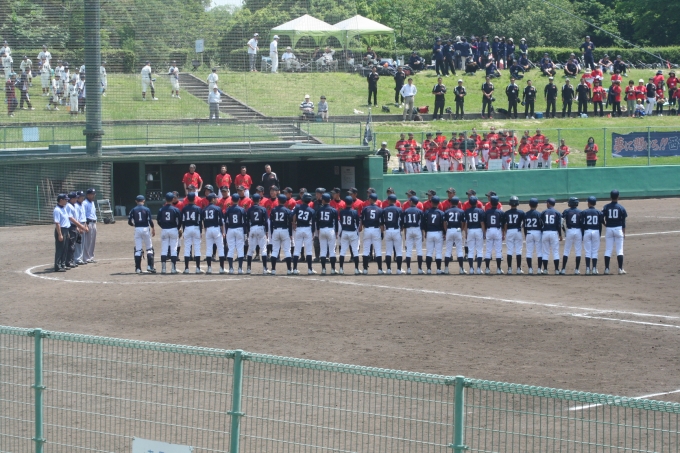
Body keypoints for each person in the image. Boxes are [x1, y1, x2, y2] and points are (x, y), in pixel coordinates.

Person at [128, 195, 156, 274]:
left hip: (137, 229)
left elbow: (129, 221)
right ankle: (150, 266)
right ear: (143, 201)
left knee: (138, 249)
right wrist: (153, 228)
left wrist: (134, 225)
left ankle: (138, 268)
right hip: (145, 229)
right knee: (149, 248)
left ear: (136, 201)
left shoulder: (133, 209)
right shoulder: (147, 209)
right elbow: (150, 220)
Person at [157, 192, 182, 274]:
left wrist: (163, 226)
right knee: (174, 249)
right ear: (172, 199)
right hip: (173, 229)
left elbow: (158, 220)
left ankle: (163, 269)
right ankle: (173, 268)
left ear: (165, 199)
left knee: (164, 250)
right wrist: (177, 228)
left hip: (165, 229)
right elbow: (180, 221)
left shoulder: (161, 209)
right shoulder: (176, 209)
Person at [292, 192, 316, 275]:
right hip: (307, 229)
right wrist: (313, 232)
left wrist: (294, 222)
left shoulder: (297, 207)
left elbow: (293, 214)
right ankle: (309, 269)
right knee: (308, 250)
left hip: (299, 228)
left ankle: (294, 269)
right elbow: (313, 223)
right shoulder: (311, 210)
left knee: (297, 250)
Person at [269, 194, 294, 275]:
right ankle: (289, 270)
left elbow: (271, 222)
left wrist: (272, 232)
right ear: (285, 201)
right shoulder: (287, 210)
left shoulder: (274, 210)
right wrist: (290, 233)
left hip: (276, 230)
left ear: (278, 200)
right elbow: (290, 223)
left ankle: (273, 270)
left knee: (275, 250)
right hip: (285, 230)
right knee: (287, 250)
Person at [224, 193, 247, 273]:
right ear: (239, 200)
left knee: (231, 249)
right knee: (240, 249)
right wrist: (245, 232)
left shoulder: (228, 209)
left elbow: (226, 222)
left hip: (230, 229)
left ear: (231, 200)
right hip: (239, 229)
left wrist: (226, 231)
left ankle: (231, 268)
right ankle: (240, 269)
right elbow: (244, 222)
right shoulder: (241, 209)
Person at [360, 193, 383, 274]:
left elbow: (362, 220)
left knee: (366, 250)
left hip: (367, 229)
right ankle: (380, 269)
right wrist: (382, 232)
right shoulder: (380, 209)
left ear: (370, 199)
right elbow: (381, 223)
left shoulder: (365, 208)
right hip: (376, 229)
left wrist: (361, 227)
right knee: (378, 250)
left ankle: (365, 269)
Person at [580, 196, 603, 275]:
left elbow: (582, 225)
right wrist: (599, 234)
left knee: (587, 251)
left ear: (588, 203)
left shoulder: (584, 212)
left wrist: (583, 234)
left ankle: (587, 269)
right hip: (596, 231)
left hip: (587, 231)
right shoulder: (599, 212)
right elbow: (600, 225)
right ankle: (594, 269)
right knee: (595, 251)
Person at [338, 196, 361, 275]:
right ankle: (356, 269)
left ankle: (341, 269)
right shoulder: (354, 212)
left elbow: (341, 221)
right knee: (355, 251)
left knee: (342, 251)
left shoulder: (342, 212)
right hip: (352, 232)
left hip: (344, 231)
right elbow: (357, 223)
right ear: (352, 203)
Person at [422, 196, 445, 274]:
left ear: (431, 202)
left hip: (429, 233)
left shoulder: (427, 212)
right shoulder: (441, 213)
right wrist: (444, 232)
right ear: (438, 203)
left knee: (429, 252)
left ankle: (428, 269)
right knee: (438, 252)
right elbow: (443, 224)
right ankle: (438, 269)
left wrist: (425, 231)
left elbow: (423, 224)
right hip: (438, 232)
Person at [560, 197, 582, 275]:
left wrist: (564, 231)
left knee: (566, 250)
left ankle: (563, 269)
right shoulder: (580, 212)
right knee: (578, 251)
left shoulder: (566, 211)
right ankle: (576, 270)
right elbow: (583, 223)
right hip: (578, 231)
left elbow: (561, 223)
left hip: (569, 231)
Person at [539, 198, 562, 275]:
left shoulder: (543, 212)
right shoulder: (557, 213)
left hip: (545, 232)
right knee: (555, 252)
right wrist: (560, 235)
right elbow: (559, 225)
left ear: (548, 203)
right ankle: (556, 270)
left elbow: (540, 223)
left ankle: (545, 269)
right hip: (554, 233)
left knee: (545, 252)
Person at [464, 196, 485, 275]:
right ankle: (479, 269)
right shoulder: (480, 211)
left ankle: (471, 269)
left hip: (470, 230)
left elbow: (466, 224)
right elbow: (482, 223)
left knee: (470, 250)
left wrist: (466, 233)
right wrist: (484, 233)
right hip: (478, 230)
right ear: (477, 202)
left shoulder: (467, 211)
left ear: (469, 203)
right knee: (479, 250)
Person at [402, 196, 424, 274]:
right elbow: (422, 224)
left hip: (409, 229)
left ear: (411, 202)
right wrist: (422, 234)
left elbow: (404, 224)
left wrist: (405, 234)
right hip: (417, 229)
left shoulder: (406, 211)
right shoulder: (420, 211)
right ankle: (420, 269)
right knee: (419, 250)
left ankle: (408, 269)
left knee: (409, 251)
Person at [53, 194, 73, 272]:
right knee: (60, 248)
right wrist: (60, 234)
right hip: (61, 230)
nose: (67, 201)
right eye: (65, 200)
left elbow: (66, 221)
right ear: (61, 200)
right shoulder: (57, 210)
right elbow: (57, 223)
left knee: (65, 248)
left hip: (66, 229)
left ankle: (63, 264)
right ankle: (57, 266)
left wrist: (67, 232)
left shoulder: (64, 208)